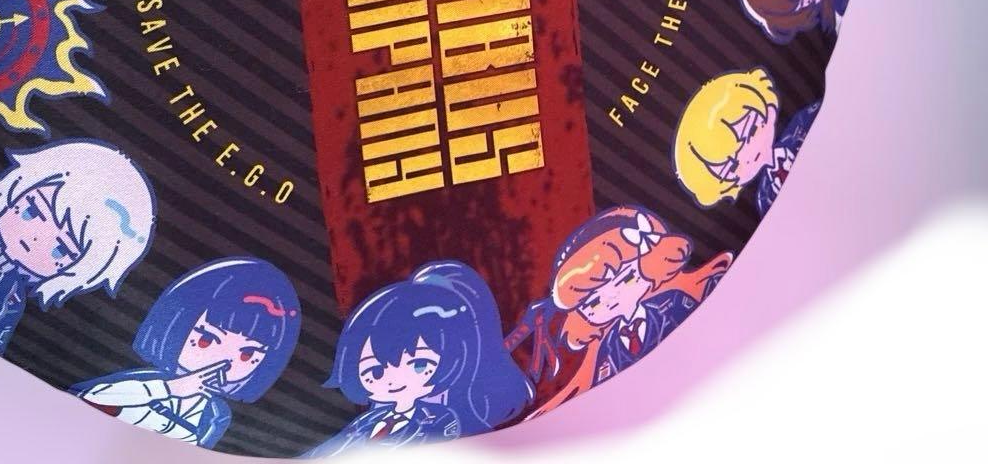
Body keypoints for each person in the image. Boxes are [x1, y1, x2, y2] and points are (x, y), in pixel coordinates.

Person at [0, 140, 156, 355]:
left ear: (74, 270)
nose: (35, 239)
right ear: (16, 190)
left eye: (60, 249)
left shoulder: (11, 301)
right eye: (31, 211)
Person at [508, 207, 732, 415]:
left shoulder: (677, 302)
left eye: (626, 278)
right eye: (592, 303)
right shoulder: (605, 352)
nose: (610, 298)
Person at [72, 258, 301, 449]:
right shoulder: (148, 381)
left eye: (247, 355)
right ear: (176, 324)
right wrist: (169, 389)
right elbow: (93, 397)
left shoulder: (215, 414)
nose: (223, 362)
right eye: (206, 339)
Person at [313, 260, 533, 453]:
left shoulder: (439, 419)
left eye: (418, 365)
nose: (393, 380)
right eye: (376, 371)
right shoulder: (366, 422)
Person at [673, 68, 822, 215]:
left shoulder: (800, 125)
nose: (748, 154)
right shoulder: (765, 196)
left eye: (752, 130)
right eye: (733, 166)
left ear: (769, 110)